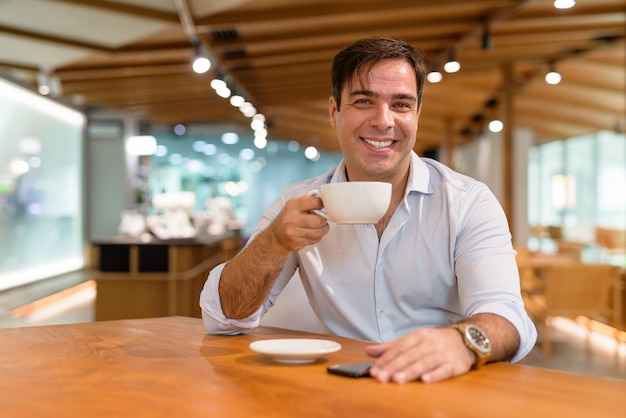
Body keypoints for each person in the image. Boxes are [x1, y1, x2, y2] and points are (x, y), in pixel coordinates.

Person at [200, 36, 537, 384]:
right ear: (334, 112)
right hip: (341, 389)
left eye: (402, 105)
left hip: (442, 388)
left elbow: (508, 319)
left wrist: (463, 342)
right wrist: (273, 243)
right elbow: (222, 318)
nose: (383, 120)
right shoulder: (298, 202)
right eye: (364, 101)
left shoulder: (466, 202)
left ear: (417, 115)